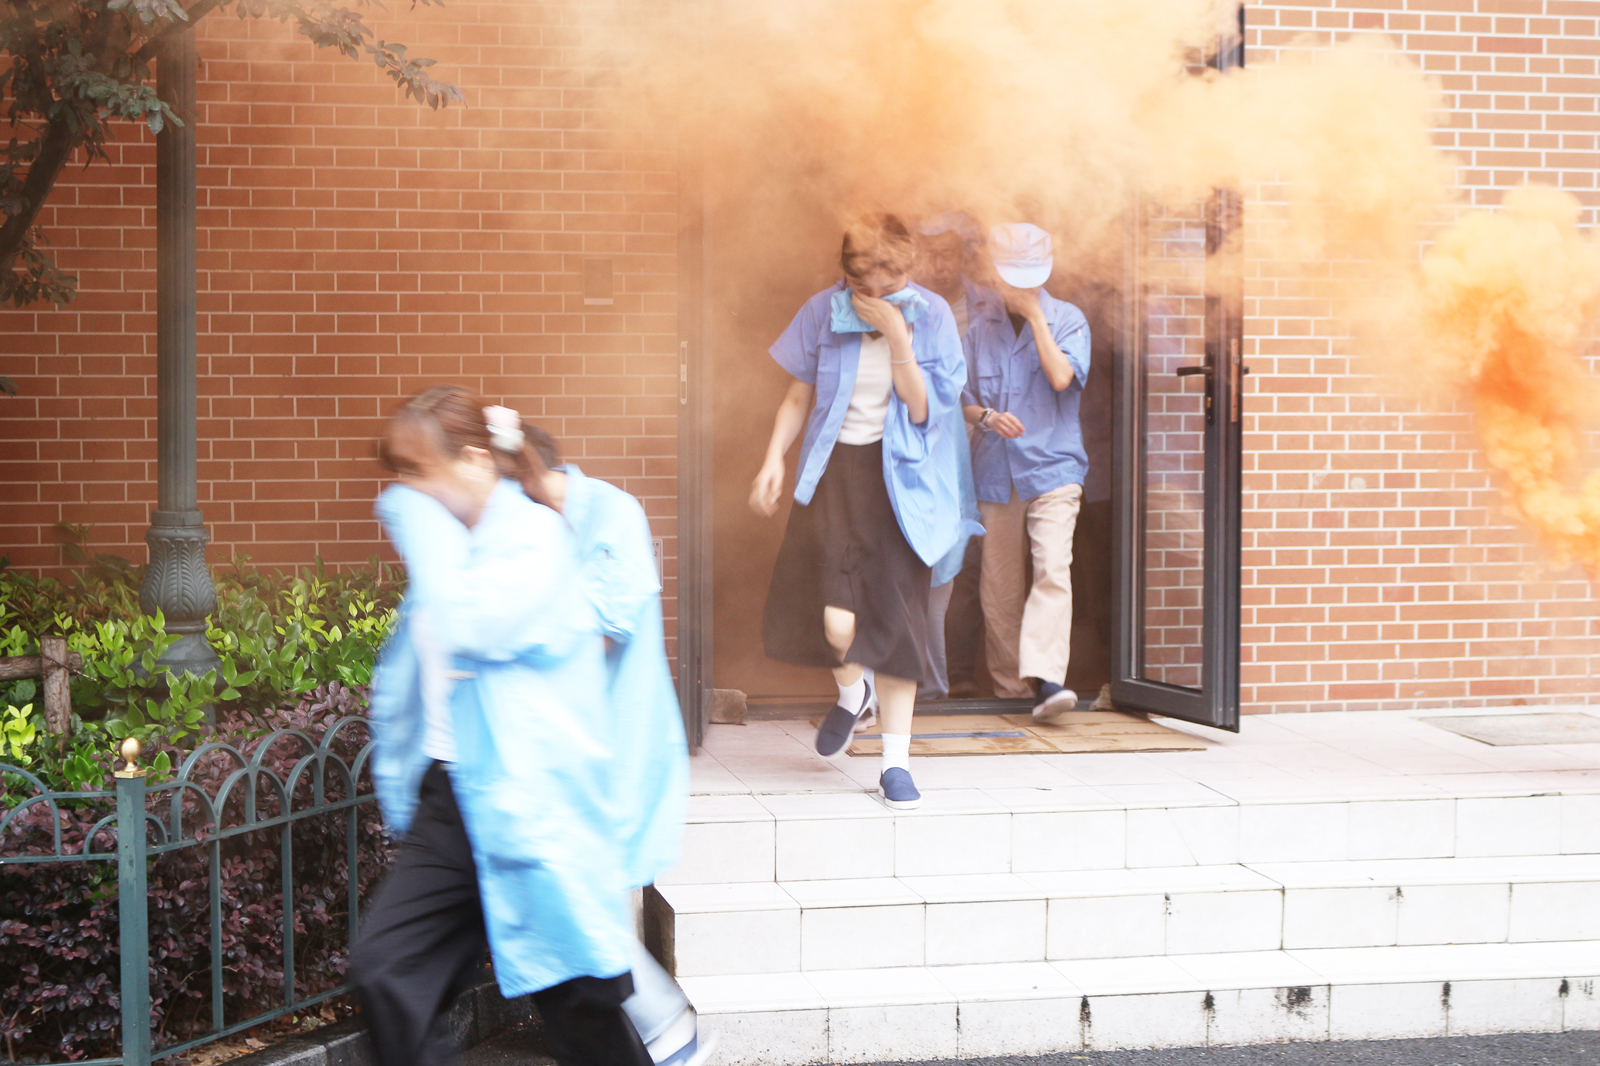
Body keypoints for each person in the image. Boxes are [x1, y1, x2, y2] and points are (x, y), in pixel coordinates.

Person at [354, 387, 651, 1066]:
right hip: (453, 800)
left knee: (582, 1009)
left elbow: (472, 625)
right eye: (399, 473)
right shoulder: (454, 545)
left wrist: (419, 526)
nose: (405, 491)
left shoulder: (533, 538)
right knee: (387, 969)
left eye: (418, 470)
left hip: (534, 806)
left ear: (477, 461)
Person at [750, 213, 973, 810]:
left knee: (897, 628)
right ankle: (854, 695)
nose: (874, 292)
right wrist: (773, 459)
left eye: (888, 280)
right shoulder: (822, 311)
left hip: (904, 484)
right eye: (861, 280)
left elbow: (924, 411)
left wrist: (899, 339)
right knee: (834, 623)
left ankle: (895, 764)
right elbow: (797, 394)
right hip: (833, 475)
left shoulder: (932, 317)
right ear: (845, 271)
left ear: (908, 268)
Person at [520, 425, 712, 1066]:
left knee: (581, 883)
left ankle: (666, 1025)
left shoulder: (611, 511)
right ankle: (655, 1027)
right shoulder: (536, 523)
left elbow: (606, 624)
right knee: (573, 884)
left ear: (527, 470)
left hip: (619, 737)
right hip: (570, 741)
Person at [963, 223, 1092, 720]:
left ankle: (1048, 679)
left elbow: (1061, 377)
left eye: (1030, 277)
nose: (1021, 287)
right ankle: (1011, 692)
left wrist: (1037, 317)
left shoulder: (1068, 319)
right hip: (996, 470)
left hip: (1054, 468)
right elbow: (963, 399)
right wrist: (988, 417)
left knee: (1052, 568)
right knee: (997, 587)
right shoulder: (980, 328)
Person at [914, 212, 1002, 699]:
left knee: (968, 564)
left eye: (947, 253)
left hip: (980, 449)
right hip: (925, 448)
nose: (939, 264)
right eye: (929, 255)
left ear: (963, 254)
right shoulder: (909, 304)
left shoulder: (987, 304)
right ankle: (921, 677)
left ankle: (961, 672)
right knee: (922, 562)